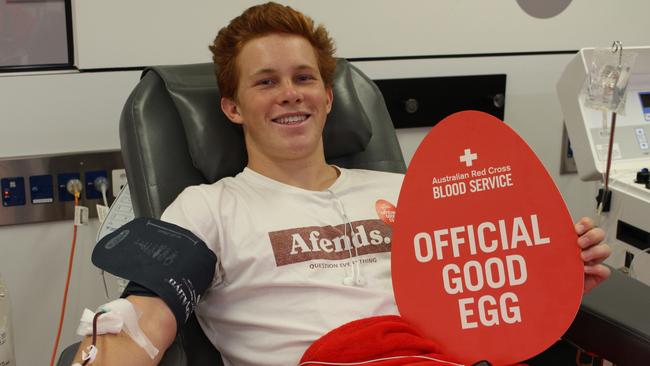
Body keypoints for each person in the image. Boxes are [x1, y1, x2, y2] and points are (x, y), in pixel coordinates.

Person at [72, 2, 611, 365]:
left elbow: (487, 295)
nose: (290, 93)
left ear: (329, 97)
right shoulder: (209, 208)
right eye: (266, 82)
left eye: (304, 78)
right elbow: (143, 319)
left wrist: (551, 277)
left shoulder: (410, 192)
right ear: (232, 108)